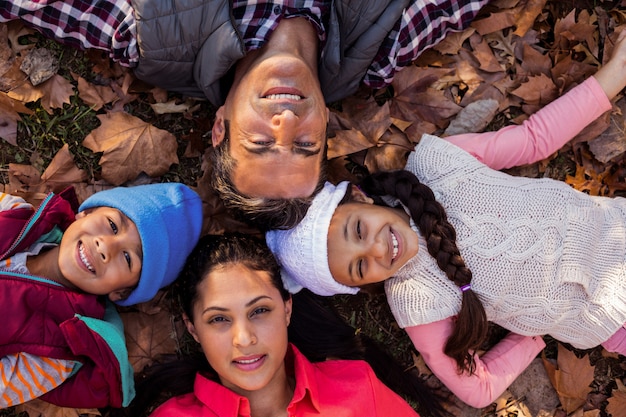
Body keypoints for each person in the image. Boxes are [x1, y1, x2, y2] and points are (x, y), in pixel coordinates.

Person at [264, 31, 626, 408]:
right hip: (610, 317)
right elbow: (477, 389)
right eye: (358, 267)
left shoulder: (437, 166)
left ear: (357, 196)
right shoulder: (418, 303)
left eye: (357, 229)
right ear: (361, 286)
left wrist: (616, 73)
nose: (374, 249)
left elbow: (533, 139)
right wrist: (531, 337)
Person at [0, 0, 490, 227]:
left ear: (220, 127)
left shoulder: (145, 35)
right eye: (304, 145)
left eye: (260, 143)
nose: (286, 122)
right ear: (325, 129)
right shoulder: (387, 42)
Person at [121, 233, 448, 417]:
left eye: (259, 311)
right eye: (219, 319)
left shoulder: (356, 388)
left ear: (287, 309)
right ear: (193, 329)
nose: (244, 338)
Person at [0, 183, 203, 409]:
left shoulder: (59, 353)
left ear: (121, 292)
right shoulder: (13, 214)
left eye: (127, 258)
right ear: (85, 213)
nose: (105, 246)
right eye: (113, 226)